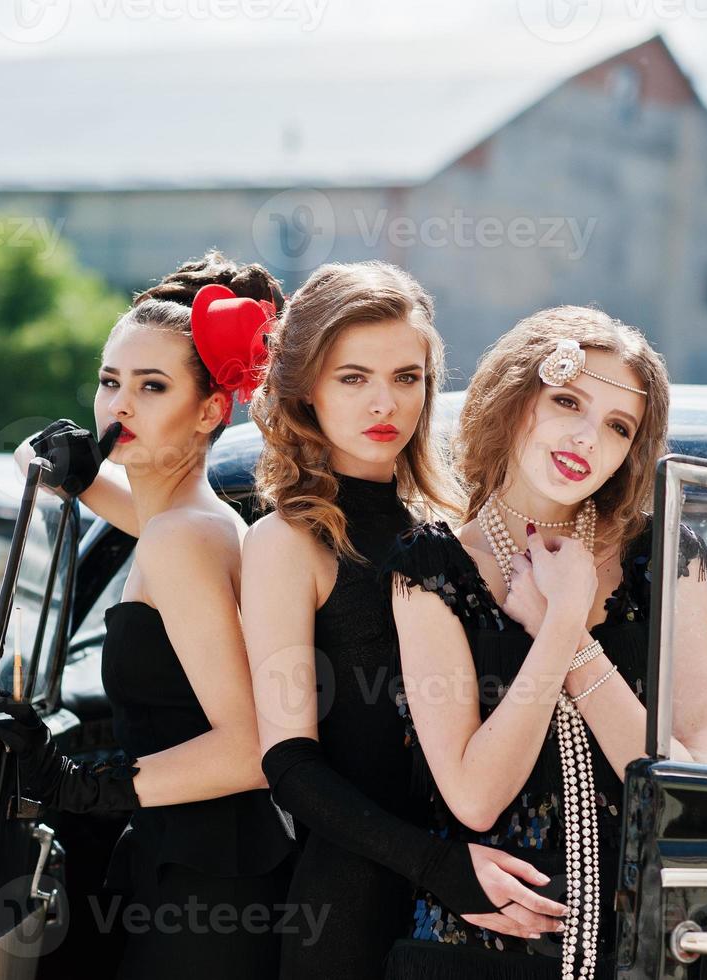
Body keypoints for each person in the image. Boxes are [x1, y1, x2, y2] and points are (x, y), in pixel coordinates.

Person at [241, 261, 571, 980]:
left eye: (406, 376)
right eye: (352, 377)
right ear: (305, 390)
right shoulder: (288, 539)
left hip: (498, 891)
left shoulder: (456, 526)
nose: (383, 402)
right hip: (358, 900)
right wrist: (437, 865)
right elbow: (290, 766)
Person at [384, 307, 707, 978]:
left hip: (645, 948)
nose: (585, 437)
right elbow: (475, 796)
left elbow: (689, 788)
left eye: (617, 426)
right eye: (567, 400)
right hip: (480, 950)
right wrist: (564, 616)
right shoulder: (430, 568)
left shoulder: (664, 557)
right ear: (515, 400)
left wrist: (571, 638)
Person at [0, 252, 294, 977]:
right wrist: (88, 480)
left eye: (152, 386)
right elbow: (153, 527)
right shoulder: (191, 522)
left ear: (212, 411)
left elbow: (250, 748)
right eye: (109, 380)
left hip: (206, 888)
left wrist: (81, 786)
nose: (118, 406)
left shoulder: (183, 535)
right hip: (212, 863)